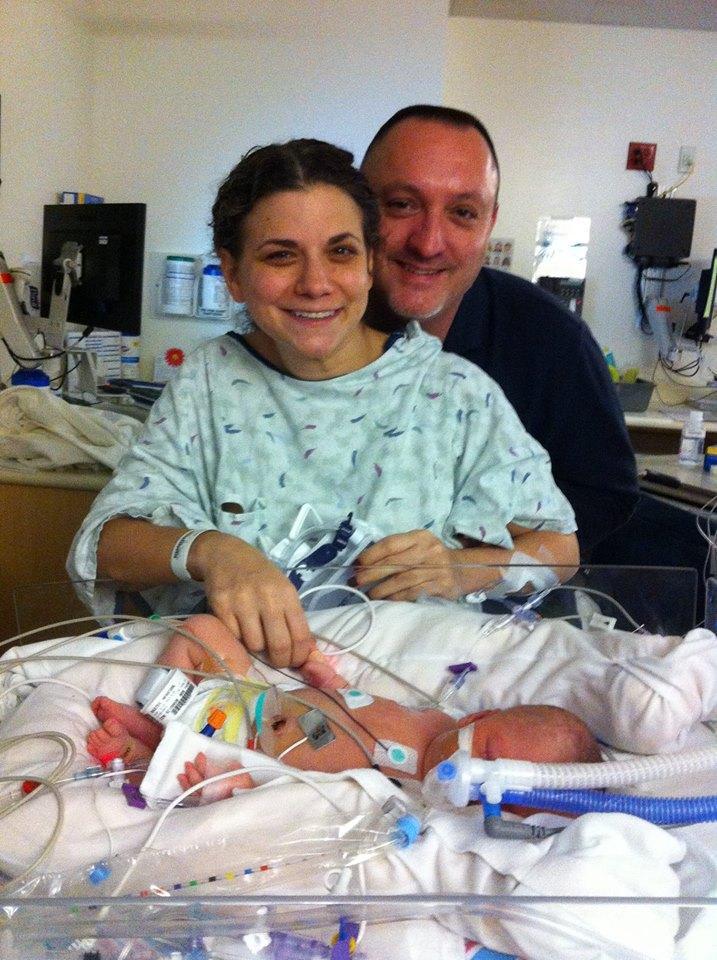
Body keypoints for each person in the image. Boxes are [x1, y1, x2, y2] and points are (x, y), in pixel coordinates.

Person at [68, 138, 578, 670]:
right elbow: (104, 547)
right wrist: (215, 552)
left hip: (413, 685)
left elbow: (560, 549)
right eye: (280, 255)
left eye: (341, 252)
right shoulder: (210, 383)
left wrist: (459, 568)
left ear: (370, 263)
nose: (316, 284)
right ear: (233, 273)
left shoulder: (452, 393)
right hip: (244, 689)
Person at [360, 105, 639, 558]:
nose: (428, 243)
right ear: (357, 206)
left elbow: (604, 495)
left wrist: (466, 555)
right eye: (401, 205)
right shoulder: (304, 327)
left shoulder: (553, 340)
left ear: (490, 223)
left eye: (463, 212)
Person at [85, 613, 601, 802]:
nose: (474, 773)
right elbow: (362, 703)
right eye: (487, 753)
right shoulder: (433, 718)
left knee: (190, 777)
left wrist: (243, 783)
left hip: (241, 751)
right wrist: (326, 678)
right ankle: (158, 717)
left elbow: (317, 796)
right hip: (254, 698)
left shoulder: (413, 788)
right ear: (477, 719)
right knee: (202, 630)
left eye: (493, 791)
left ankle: (145, 748)